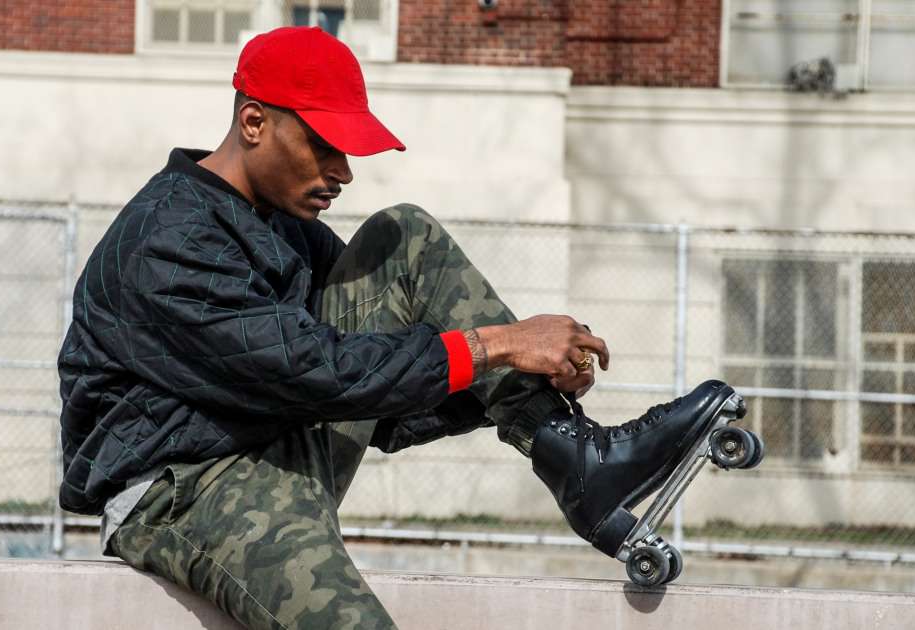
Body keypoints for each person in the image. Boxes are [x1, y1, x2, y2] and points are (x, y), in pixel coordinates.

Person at [58, 26, 739, 629]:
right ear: (255, 122)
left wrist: (511, 372)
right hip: (183, 489)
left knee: (402, 239)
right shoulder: (170, 238)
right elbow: (318, 372)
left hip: (279, 443)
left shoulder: (283, 227)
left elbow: (379, 402)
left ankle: (574, 457)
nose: (343, 173)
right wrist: (500, 345)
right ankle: (577, 461)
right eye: (324, 146)